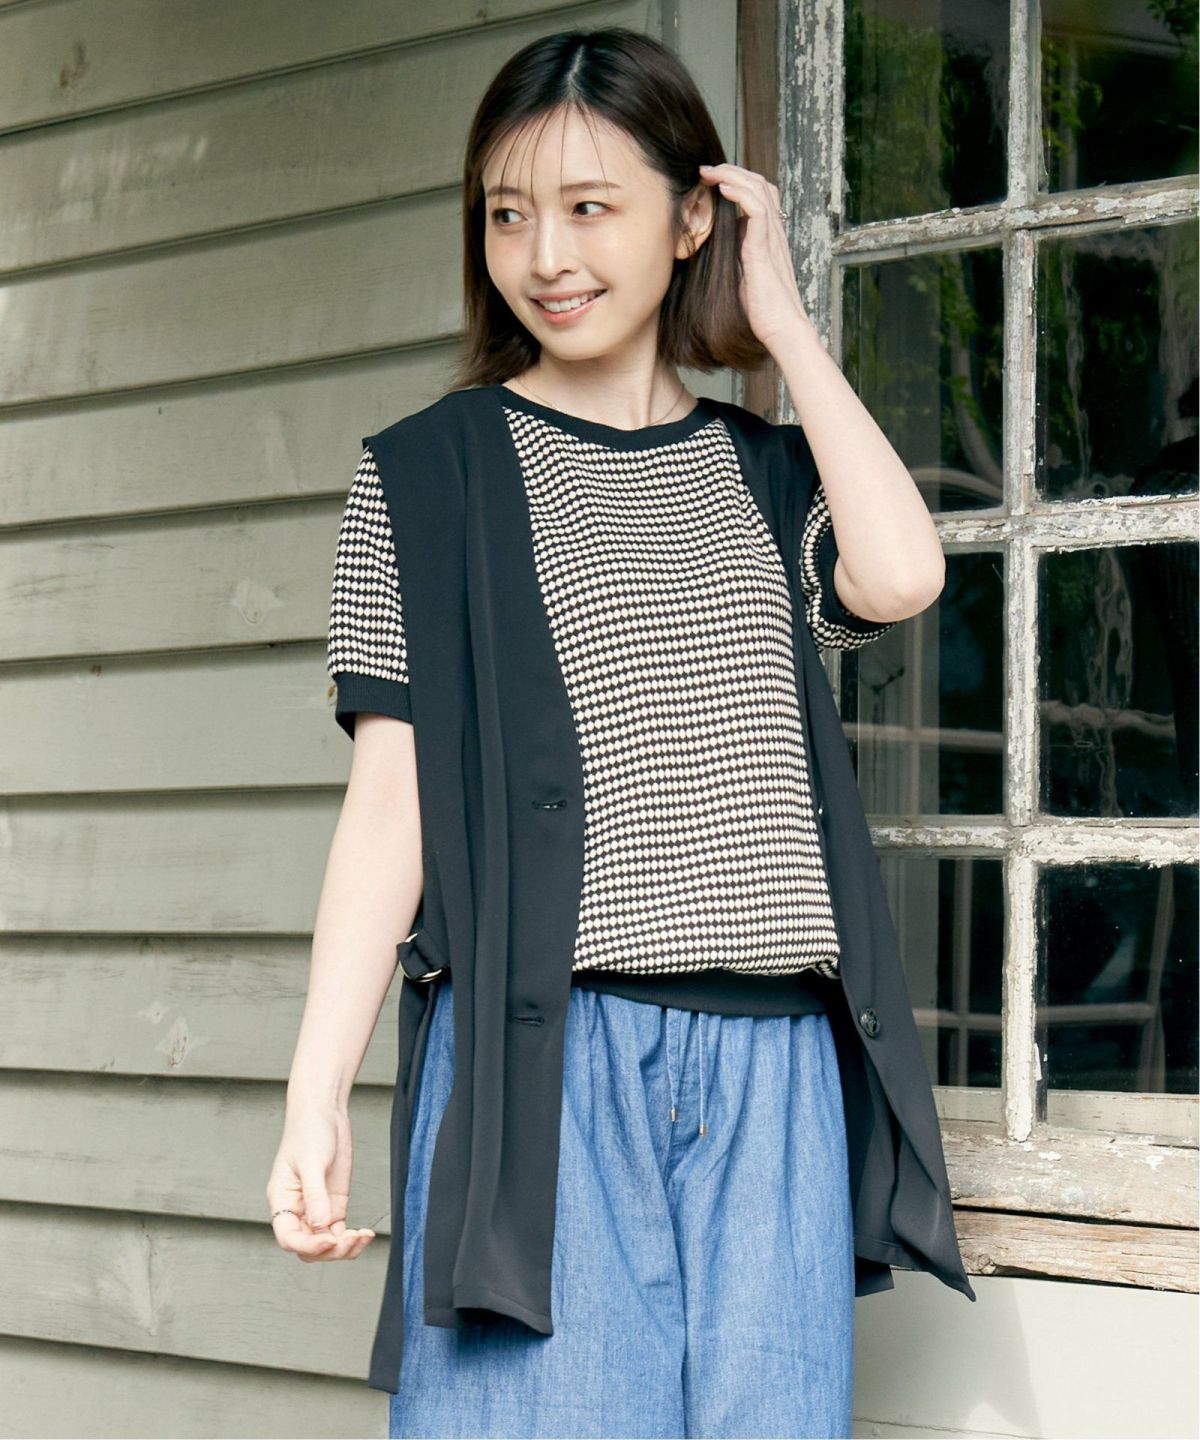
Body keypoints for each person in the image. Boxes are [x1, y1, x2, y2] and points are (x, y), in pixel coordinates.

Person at [267, 25, 965, 1440]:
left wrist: (784, 328)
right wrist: (315, 1089)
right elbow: (391, 805)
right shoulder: (427, 479)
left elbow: (900, 576)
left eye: (592, 207)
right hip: (551, 1063)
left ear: (690, 218)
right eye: (508, 214)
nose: (546, 256)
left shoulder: (770, 475)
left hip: (773, 1067)